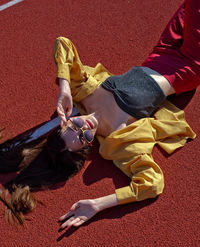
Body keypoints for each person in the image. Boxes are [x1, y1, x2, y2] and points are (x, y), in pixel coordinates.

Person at [0, 0, 198, 228]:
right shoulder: (120, 138)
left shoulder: (84, 95)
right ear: (87, 146)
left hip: (163, 51)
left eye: (74, 127)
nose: (84, 127)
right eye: (84, 137)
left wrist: (64, 87)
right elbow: (152, 184)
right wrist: (98, 204)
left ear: (66, 121)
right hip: (189, 65)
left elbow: (63, 44)